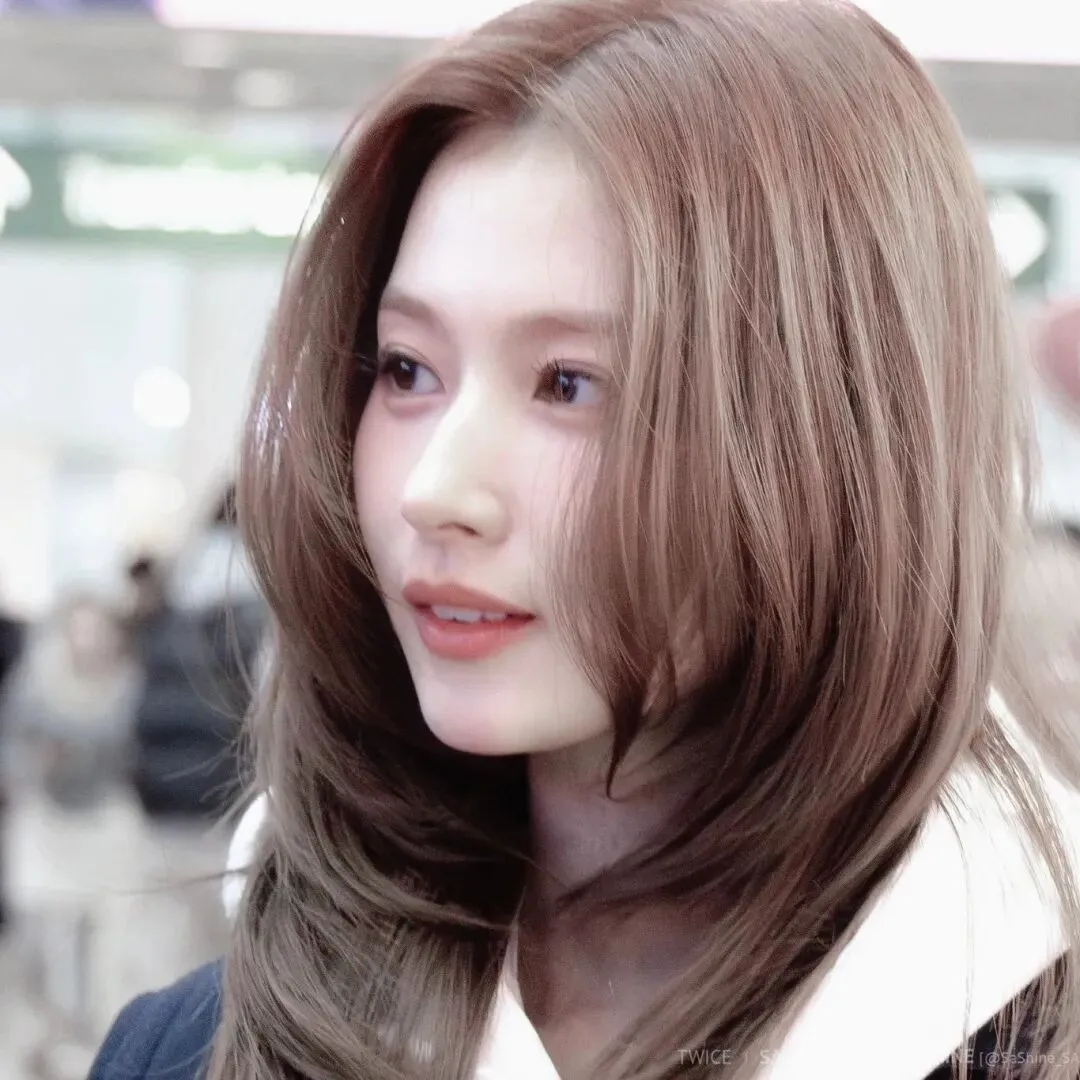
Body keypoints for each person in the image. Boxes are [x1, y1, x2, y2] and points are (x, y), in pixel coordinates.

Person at [89, 1, 1080, 1078]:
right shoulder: (192, 1048)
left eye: (569, 385)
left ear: (839, 434)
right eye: (408, 369)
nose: (435, 490)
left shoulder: (1012, 1013)